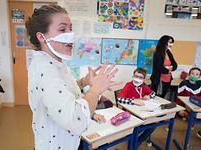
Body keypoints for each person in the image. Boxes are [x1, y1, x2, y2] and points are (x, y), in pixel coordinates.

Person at [25, 5, 121, 150]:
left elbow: (60, 91)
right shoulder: (44, 69)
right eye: (62, 29)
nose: (70, 34)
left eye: (70, 28)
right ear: (41, 37)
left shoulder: (54, 62)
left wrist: (84, 82)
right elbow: (75, 121)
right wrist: (95, 90)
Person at [118, 68, 156, 146]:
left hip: (141, 112)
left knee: (154, 124)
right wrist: (133, 101)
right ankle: (132, 138)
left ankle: (138, 141)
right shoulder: (128, 85)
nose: (137, 79)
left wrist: (149, 96)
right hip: (130, 113)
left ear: (144, 79)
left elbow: (153, 93)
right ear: (133, 76)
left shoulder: (143, 86)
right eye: (136, 76)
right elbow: (119, 99)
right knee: (137, 127)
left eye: (140, 77)